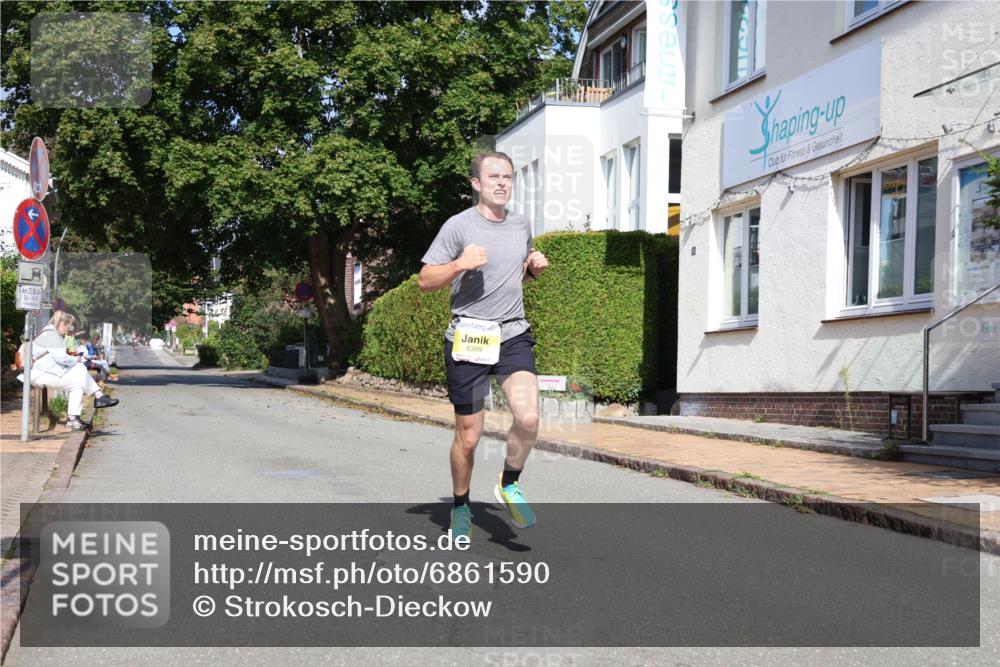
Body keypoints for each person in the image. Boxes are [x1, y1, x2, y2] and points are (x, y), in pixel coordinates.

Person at [418, 151, 549, 539]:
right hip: (468, 337)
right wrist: (459, 264)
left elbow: (512, 278)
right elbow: (426, 280)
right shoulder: (457, 227)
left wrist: (533, 269)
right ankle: (461, 506)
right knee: (469, 438)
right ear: (476, 183)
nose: (502, 183)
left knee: (528, 418)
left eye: (508, 177)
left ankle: (509, 483)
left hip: (511, 333)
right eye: (494, 177)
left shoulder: (521, 225)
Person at [19, 311, 120, 430]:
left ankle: (73, 419)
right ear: (62, 323)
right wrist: (76, 359)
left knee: (77, 384)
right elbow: (61, 358)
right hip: (40, 374)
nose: (68, 330)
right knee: (79, 368)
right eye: (68, 326)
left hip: (45, 372)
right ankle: (99, 396)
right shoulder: (51, 335)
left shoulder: (50, 333)